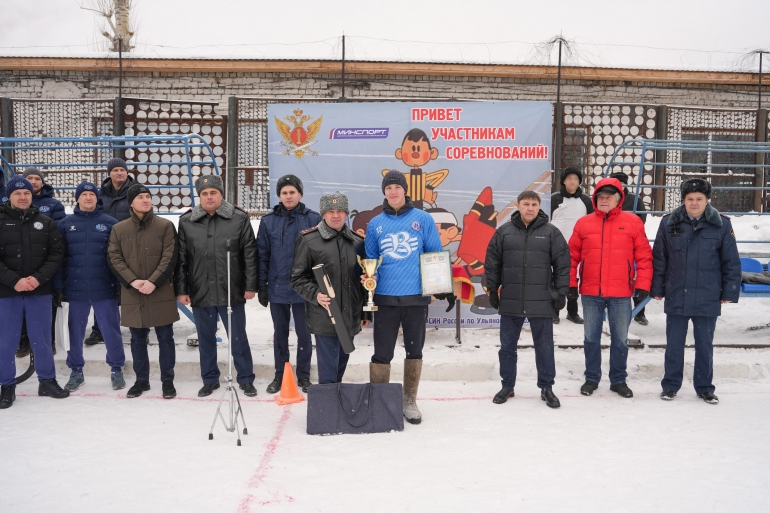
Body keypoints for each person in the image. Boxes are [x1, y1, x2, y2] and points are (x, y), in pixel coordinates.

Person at [365, 170, 455, 424]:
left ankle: (409, 401)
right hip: (385, 298)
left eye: (397, 187)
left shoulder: (423, 218)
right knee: (382, 353)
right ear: (384, 192)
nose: (393, 191)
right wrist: (369, 281)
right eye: (388, 188)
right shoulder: (375, 223)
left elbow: (434, 253)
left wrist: (441, 286)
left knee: (414, 350)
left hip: (415, 298)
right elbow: (370, 261)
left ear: (405, 190)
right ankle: (380, 401)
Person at [651, 178, 741, 404]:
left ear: (707, 200)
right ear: (683, 200)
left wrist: (728, 292)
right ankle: (670, 385)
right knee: (674, 345)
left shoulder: (721, 224)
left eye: (699, 199)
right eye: (689, 199)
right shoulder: (668, 223)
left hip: (707, 295)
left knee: (704, 345)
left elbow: (731, 261)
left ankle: (705, 388)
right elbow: (659, 259)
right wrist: (657, 288)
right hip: (677, 293)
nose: (694, 203)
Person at [568, 176, 653, 399]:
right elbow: (571, 257)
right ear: (595, 199)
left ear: (619, 199)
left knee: (620, 340)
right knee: (591, 338)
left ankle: (618, 380)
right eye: (600, 197)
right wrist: (570, 283)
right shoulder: (583, 223)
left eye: (609, 197)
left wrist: (643, 284)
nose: (604, 200)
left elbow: (644, 257)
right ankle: (591, 378)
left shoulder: (633, 222)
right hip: (591, 292)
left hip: (621, 293)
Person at [485, 190, 570, 408]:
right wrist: (493, 290)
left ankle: (547, 387)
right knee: (507, 347)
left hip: (541, 300)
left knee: (544, 347)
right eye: (526, 204)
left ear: (539, 206)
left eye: (534, 204)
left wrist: (561, 293)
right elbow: (492, 263)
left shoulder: (551, 233)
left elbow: (562, 265)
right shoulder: (504, 232)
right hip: (511, 299)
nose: (530, 208)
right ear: (518, 206)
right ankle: (507, 386)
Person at [176, 175, 258, 398]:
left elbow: (250, 254)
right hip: (200, 289)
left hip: (231, 289)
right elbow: (181, 259)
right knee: (205, 339)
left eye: (213, 192)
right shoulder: (187, 222)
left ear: (221, 194)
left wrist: (250, 285)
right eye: (204, 193)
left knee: (238, 338)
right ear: (199, 196)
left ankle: (246, 378)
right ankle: (210, 379)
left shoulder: (238, 219)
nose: (209, 197)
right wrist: (182, 289)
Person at [0, 176, 68, 409]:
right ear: (9, 196)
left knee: (42, 340)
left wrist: (38, 278)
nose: (23, 197)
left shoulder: (46, 222)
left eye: (27, 193)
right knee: (6, 342)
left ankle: (47, 381)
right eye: (18, 193)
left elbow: (56, 254)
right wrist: (14, 281)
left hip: (39, 291)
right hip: (7, 293)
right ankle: (7, 385)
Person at [108, 184, 179, 399]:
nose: (146, 200)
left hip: (160, 290)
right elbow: (114, 258)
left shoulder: (165, 226)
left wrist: (153, 281)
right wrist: (132, 281)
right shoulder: (119, 229)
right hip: (133, 291)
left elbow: (170, 256)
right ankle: (141, 380)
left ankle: (168, 380)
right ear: (131, 202)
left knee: (165, 337)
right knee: (137, 338)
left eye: (148, 196)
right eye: (140, 197)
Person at [291, 192, 370, 384]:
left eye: (340, 211)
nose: (336, 215)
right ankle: (328, 401)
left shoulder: (358, 242)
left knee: (341, 365)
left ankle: (335, 398)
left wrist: (365, 313)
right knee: (328, 372)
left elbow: (364, 281)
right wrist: (316, 294)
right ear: (323, 214)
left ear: (346, 214)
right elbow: (297, 278)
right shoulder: (309, 240)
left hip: (350, 316)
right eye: (331, 211)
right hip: (324, 315)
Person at [54, 181, 125, 392]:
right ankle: (76, 371)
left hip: (104, 288)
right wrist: (58, 287)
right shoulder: (65, 224)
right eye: (84, 194)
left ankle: (117, 369)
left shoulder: (110, 223)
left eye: (91, 194)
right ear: (77, 198)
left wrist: (119, 285)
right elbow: (59, 259)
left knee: (111, 331)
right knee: (74, 333)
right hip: (74, 290)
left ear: (97, 198)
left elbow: (117, 258)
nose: (88, 198)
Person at [256, 174, 321, 394]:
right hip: (277, 287)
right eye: (284, 192)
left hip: (305, 289)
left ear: (300, 194)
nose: (288, 196)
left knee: (304, 333)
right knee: (280, 333)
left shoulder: (313, 219)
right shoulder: (268, 221)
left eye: (292, 192)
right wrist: (262, 285)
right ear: (279, 196)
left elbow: (320, 254)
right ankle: (280, 375)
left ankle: (303, 375)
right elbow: (262, 254)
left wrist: (317, 286)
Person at [15, 167, 65, 358]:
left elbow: (57, 238)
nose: (34, 181)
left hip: (43, 265)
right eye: (30, 178)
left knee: (46, 307)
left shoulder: (53, 205)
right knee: (19, 305)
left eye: (37, 178)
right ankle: (23, 340)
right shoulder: (12, 205)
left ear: (42, 182)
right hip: (18, 263)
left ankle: (47, 341)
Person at [87, 158, 136, 346]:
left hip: (129, 248)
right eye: (115, 170)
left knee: (132, 290)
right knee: (103, 290)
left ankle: (139, 329)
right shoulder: (100, 194)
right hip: (104, 248)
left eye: (122, 170)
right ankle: (99, 330)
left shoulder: (135, 192)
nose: (119, 173)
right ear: (109, 173)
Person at [550, 166, 593, 325]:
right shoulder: (554, 198)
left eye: (575, 179)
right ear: (564, 181)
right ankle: (554, 311)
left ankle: (572, 312)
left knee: (574, 279)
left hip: (578, 246)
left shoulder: (586, 200)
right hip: (557, 245)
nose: (572, 181)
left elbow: (592, 222)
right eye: (569, 178)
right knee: (556, 278)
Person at [610, 171, 651, 326]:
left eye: (622, 183)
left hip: (632, 242)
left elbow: (642, 218)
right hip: (614, 244)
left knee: (635, 276)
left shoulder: (634, 199)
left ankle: (640, 312)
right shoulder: (609, 198)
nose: (620, 185)